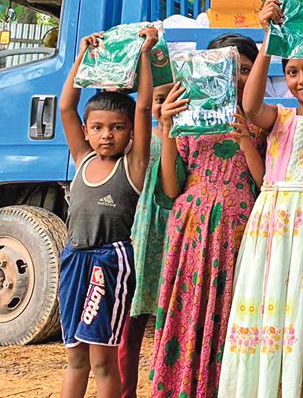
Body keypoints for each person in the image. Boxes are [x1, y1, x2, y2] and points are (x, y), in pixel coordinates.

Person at [216, 0, 303, 397]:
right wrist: (267, 42)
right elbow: (249, 101)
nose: (302, 79)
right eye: (293, 71)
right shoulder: (280, 118)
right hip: (273, 231)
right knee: (269, 306)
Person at [150, 34, 264, 398]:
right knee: (189, 313)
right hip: (191, 229)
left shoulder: (263, 119)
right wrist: (167, 129)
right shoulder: (186, 116)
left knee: (234, 312)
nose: (235, 76)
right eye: (226, 66)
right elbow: (171, 189)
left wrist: (246, 138)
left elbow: (266, 183)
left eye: (245, 69)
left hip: (241, 227)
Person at [58, 27, 157, 398]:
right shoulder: (82, 159)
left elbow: (144, 107)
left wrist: (145, 53)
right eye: (97, 128)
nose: (106, 135)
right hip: (73, 259)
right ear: (86, 130)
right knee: (75, 358)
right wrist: (82, 56)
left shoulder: (132, 166)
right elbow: (67, 106)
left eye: (117, 128)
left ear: (130, 133)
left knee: (102, 360)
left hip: (110, 262)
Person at [117, 81, 182, 398]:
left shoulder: (187, 140)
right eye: (159, 98)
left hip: (177, 234)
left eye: (173, 97)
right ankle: (126, 391)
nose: (165, 104)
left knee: (168, 322)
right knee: (132, 323)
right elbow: (141, 108)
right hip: (145, 235)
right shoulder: (139, 143)